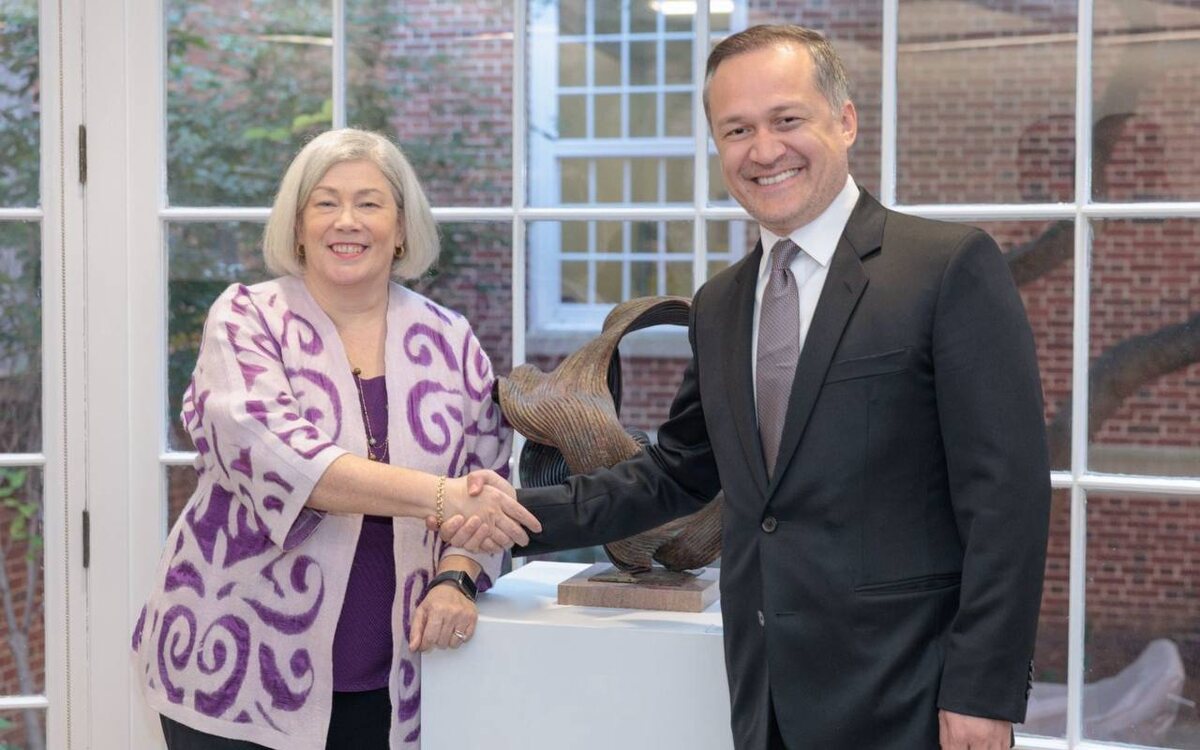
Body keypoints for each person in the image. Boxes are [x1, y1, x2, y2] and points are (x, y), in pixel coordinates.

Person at [447, 25, 1051, 750]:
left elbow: (1006, 498)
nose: (763, 150)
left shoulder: (947, 268)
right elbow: (678, 470)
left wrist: (982, 689)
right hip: (765, 696)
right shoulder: (722, 303)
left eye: (786, 119)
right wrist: (518, 515)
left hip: (912, 693)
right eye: (737, 130)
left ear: (845, 121)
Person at [131, 128, 540, 750]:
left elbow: (486, 480)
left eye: (369, 203)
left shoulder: (449, 338)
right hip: (234, 666)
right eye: (325, 203)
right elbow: (283, 458)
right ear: (298, 227)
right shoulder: (245, 317)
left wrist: (457, 575)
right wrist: (443, 497)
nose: (347, 221)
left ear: (401, 228)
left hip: (398, 678)